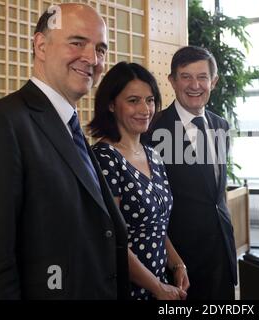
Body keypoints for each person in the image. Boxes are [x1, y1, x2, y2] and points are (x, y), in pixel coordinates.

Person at [0, 4, 130, 299]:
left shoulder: (70, 127)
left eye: (101, 49)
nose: (92, 58)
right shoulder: (1, 123)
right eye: (77, 43)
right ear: (41, 45)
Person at [88, 62, 188, 300]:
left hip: (160, 283)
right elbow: (111, 241)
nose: (145, 109)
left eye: (150, 100)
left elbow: (156, 225)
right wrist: (157, 287)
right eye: (133, 100)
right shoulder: (104, 158)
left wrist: (177, 264)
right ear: (111, 104)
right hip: (126, 289)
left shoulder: (152, 153)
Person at [147, 45, 237, 300]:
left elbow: (215, 192)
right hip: (179, 260)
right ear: (172, 81)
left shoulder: (221, 125)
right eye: (186, 76)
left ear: (214, 81)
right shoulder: (153, 129)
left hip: (222, 253)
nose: (194, 85)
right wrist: (173, 261)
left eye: (202, 77)